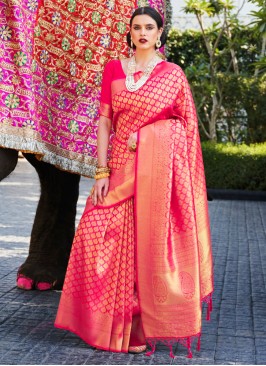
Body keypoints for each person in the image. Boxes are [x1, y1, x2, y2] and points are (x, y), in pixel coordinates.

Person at [55, 6, 214, 358]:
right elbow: (104, 123)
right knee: (94, 235)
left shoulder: (172, 75)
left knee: (145, 247)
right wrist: (101, 171)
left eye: (149, 28)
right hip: (118, 170)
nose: (142, 33)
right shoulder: (114, 69)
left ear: (160, 33)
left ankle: (137, 325)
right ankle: (99, 323)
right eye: (136, 27)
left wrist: (147, 139)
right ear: (129, 32)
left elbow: (185, 130)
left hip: (154, 175)